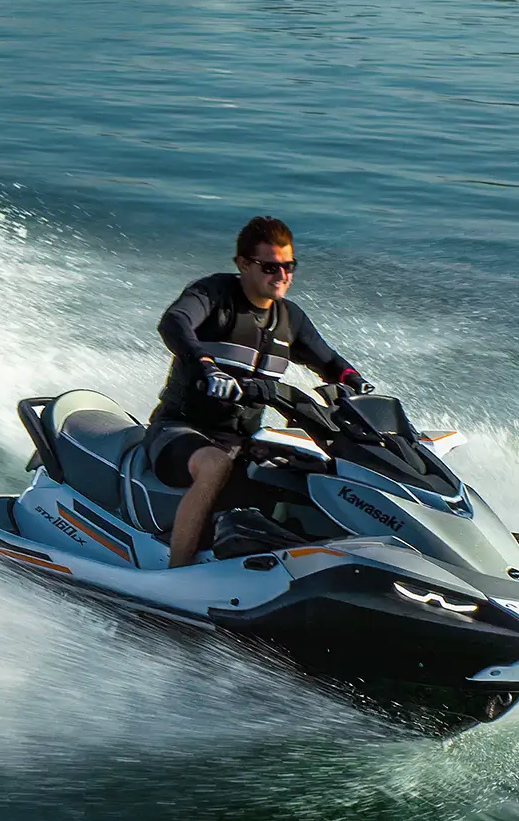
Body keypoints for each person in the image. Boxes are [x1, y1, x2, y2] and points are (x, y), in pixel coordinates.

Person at [151, 216, 371, 567]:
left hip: (243, 438)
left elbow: (330, 362)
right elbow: (174, 322)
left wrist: (356, 383)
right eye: (270, 267)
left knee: (308, 470)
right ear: (243, 264)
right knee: (215, 466)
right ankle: (175, 570)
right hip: (179, 429)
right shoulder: (215, 295)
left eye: (289, 267)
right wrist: (206, 365)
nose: (281, 276)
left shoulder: (290, 319)